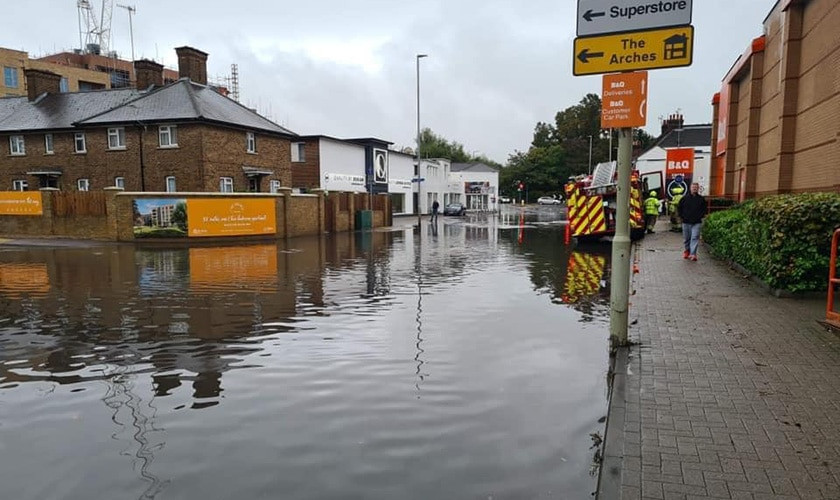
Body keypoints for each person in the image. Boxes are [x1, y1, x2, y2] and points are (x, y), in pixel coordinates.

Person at [677, 183, 707, 261]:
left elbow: (704, 209)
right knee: (687, 238)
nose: (694, 189)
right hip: (686, 222)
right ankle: (687, 251)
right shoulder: (684, 199)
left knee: (695, 237)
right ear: (690, 188)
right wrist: (682, 217)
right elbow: (679, 208)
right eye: (693, 187)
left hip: (697, 222)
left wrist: (701, 215)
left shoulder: (701, 199)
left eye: (696, 187)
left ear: (698, 189)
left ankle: (693, 254)